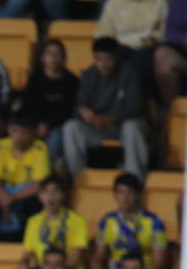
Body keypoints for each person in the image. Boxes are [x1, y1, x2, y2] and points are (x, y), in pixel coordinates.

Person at [63, 37, 149, 178]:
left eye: (107, 59)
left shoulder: (130, 74)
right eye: (99, 59)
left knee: (132, 127)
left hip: (123, 125)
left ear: (116, 57)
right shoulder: (88, 75)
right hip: (98, 127)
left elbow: (135, 108)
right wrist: (82, 112)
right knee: (71, 127)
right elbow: (78, 107)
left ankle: (134, 179)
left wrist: (110, 118)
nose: (103, 64)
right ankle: (78, 179)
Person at [91, 171, 168, 269]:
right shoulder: (106, 221)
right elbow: (98, 257)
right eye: (120, 192)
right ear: (115, 195)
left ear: (138, 195)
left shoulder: (154, 222)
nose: (125, 198)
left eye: (129, 193)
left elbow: (159, 259)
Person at [0, 113, 50, 241]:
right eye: (15, 131)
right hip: (5, 189)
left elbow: (38, 184)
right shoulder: (0, 145)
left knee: (35, 204)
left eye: (24, 132)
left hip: (25, 191)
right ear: (9, 130)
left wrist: (12, 198)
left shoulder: (40, 148)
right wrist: (2, 194)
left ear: (33, 132)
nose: (19, 137)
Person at [21, 39, 79, 167]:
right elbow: (29, 106)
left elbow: (69, 110)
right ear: (42, 58)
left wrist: (48, 124)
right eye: (49, 54)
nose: (53, 58)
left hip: (58, 126)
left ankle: (47, 171)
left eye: (57, 54)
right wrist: (38, 124)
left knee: (55, 136)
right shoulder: (35, 80)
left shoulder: (72, 81)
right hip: (36, 124)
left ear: (64, 57)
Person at [20, 177, 88, 269]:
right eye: (46, 192)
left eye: (55, 192)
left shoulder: (77, 220)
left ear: (63, 195)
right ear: (40, 196)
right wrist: (23, 266)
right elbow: (27, 254)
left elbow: (75, 257)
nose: (50, 197)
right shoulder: (33, 221)